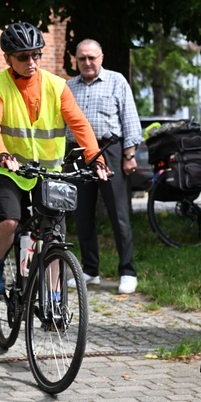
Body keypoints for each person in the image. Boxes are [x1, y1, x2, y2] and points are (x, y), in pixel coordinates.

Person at [0, 22, 109, 296]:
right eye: (23, 57)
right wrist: (1, 154)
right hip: (11, 171)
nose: (31, 62)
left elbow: (79, 124)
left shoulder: (56, 85)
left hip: (49, 172)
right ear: (7, 59)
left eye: (36, 55)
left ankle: (53, 298)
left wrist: (95, 157)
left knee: (53, 235)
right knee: (9, 221)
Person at [66, 39, 142, 294]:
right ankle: (90, 270)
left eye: (92, 57)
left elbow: (129, 117)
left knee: (118, 215)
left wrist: (129, 154)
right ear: (75, 60)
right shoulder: (69, 86)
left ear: (101, 58)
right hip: (78, 153)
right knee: (82, 214)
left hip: (110, 150)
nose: (87, 62)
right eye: (82, 58)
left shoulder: (116, 80)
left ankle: (128, 271)